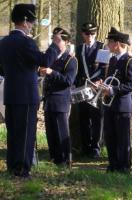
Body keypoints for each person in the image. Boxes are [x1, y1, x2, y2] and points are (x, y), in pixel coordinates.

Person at [0, 3, 62, 178]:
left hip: (10, 94)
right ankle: (22, 168)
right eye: (32, 22)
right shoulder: (26, 42)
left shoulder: (4, 42)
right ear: (26, 21)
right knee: (26, 134)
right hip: (26, 95)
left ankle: (13, 166)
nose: (33, 25)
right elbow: (44, 60)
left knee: (13, 134)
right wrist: (55, 45)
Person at [103, 27, 132, 174]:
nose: (108, 45)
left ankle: (123, 166)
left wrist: (112, 90)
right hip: (110, 105)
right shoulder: (112, 60)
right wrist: (103, 85)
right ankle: (112, 164)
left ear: (117, 44)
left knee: (123, 138)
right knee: (110, 136)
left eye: (110, 42)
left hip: (122, 105)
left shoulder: (130, 61)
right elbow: (111, 80)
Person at [40, 27, 78, 166]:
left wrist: (51, 72)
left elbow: (68, 81)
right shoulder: (50, 57)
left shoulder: (70, 60)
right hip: (49, 98)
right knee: (50, 131)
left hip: (61, 100)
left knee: (61, 131)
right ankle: (54, 157)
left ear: (66, 42)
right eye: (53, 40)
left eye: (57, 40)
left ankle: (65, 159)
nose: (54, 43)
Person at [75, 22, 105, 158]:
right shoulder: (79, 48)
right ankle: (85, 146)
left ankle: (95, 147)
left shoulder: (102, 47)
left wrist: (100, 81)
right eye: (87, 33)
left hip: (97, 88)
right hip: (84, 86)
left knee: (97, 118)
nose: (90, 36)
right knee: (84, 118)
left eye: (93, 33)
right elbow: (78, 69)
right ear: (83, 34)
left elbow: (105, 68)